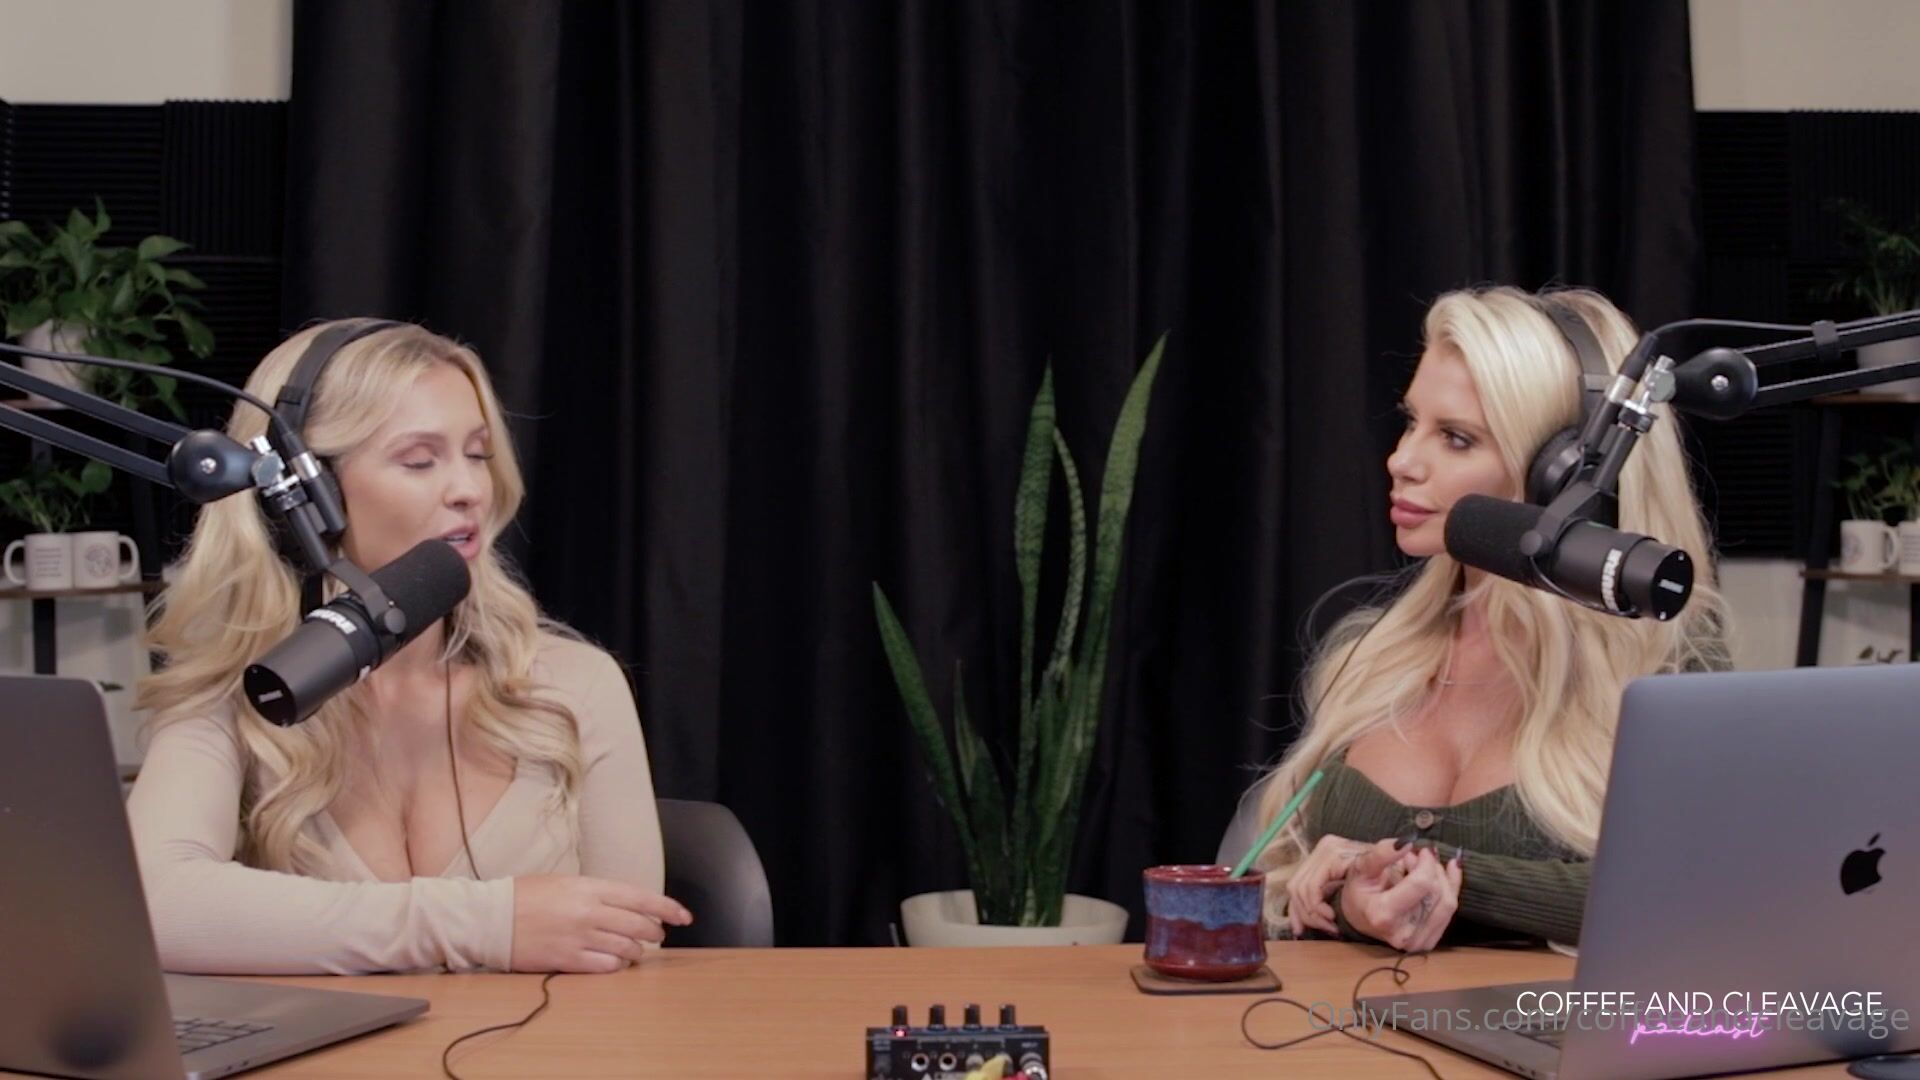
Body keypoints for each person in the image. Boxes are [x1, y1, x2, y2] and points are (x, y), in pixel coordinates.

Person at [127, 319, 690, 974]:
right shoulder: (237, 694)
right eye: (419, 460)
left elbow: (628, 941)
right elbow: (152, 904)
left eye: (477, 454)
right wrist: (485, 925)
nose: (470, 490)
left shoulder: (575, 684)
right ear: (300, 499)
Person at [1249, 286, 1730, 953]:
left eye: (1455, 438)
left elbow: (1694, 899)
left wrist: (1447, 879)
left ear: (1564, 472)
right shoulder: (1373, 655)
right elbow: (1281, 879)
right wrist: (1343, 898)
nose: (1401, 461)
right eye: (1411, 422)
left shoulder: (1669, 664)